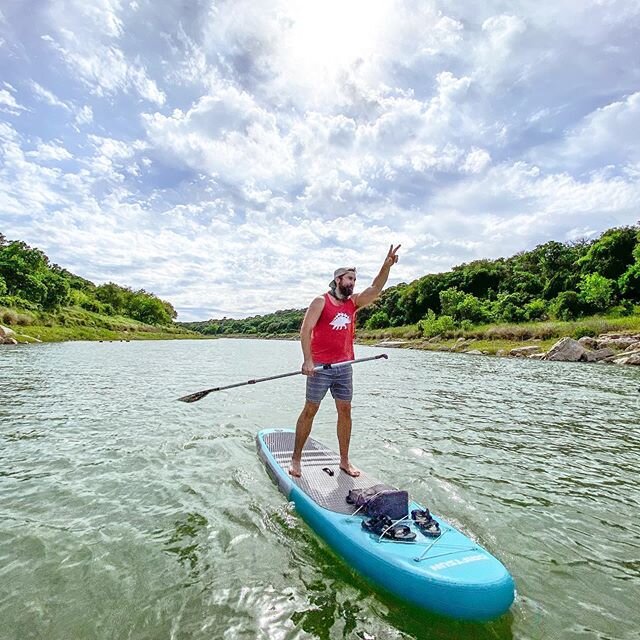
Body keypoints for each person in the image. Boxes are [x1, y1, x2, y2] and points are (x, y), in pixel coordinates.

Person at [289, 244, 401, 478]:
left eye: (355, 279)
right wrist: (307, 361)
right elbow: (305, 329)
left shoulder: (353, 303)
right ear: (338, 279)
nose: (353, 283)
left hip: (344, 367)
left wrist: (386, 266)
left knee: (345, 411)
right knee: (311, 409)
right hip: (320, 367)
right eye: (350, 278)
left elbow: (376, 288)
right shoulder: (320, 301)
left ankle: (344, 461)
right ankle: (296, 459)